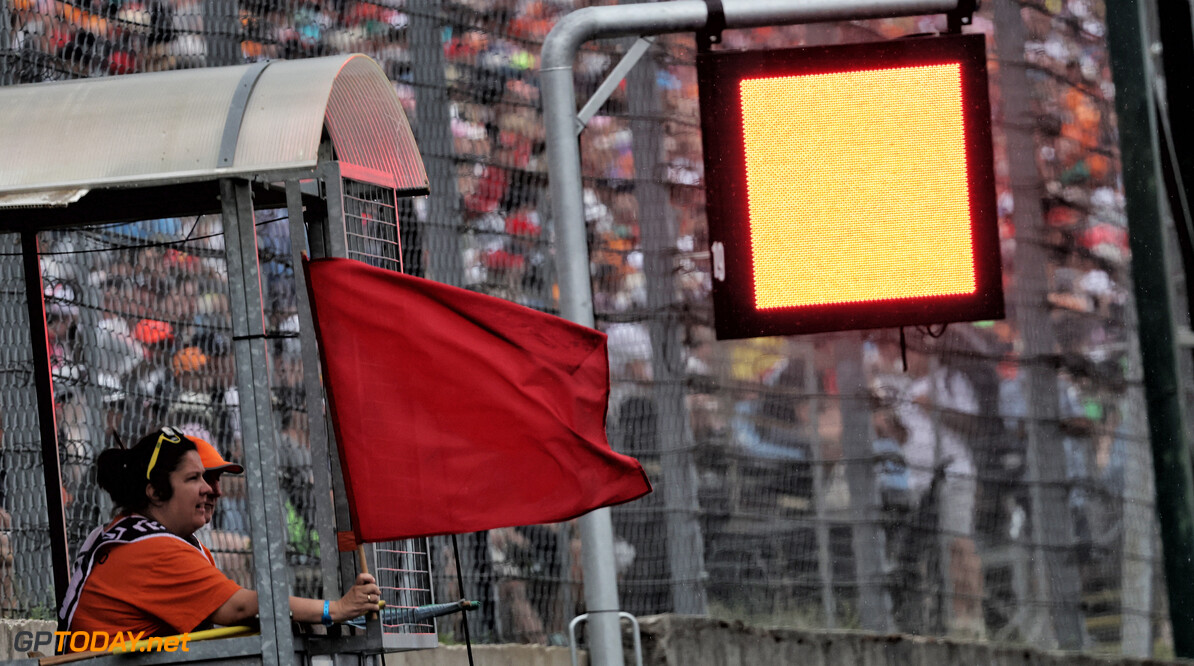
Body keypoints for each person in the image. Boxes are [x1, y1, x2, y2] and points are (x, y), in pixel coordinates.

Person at [60, 426, 382, 645]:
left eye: (210, 477)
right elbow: (240, 608)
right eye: (196, 478)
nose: (212, 490)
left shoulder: (150, 535)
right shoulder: (154, 549)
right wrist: (333, 610)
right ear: (156, 492)